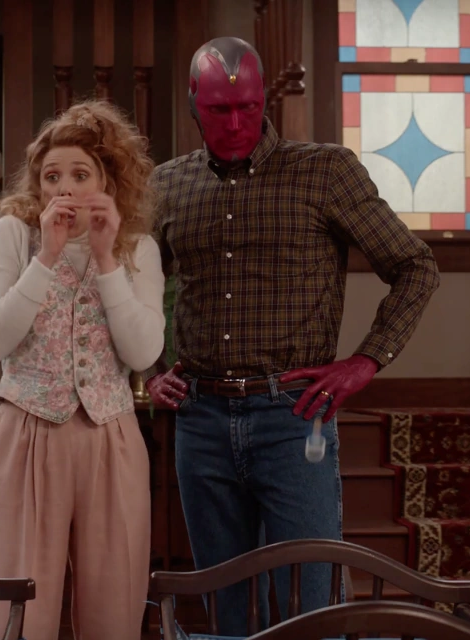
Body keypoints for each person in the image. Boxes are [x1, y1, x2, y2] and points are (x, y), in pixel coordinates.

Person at [145, 37, 441, 633]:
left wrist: (365, 360)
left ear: (264, 101)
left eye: (249, 108)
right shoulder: (167, 185)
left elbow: (416, 266)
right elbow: (132, 290)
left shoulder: (325, 171)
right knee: (224, 606)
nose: (236, 124)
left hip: (294, 416)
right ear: (193, 104)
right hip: (200, 421)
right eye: (220, 110)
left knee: (313, 608)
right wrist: (149, 371)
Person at [0, 100, 164, 640]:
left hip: (112, 438)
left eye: (81, 174)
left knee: (114, 610)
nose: (65, 188)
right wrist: (47, 257)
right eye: (52, 176)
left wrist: (105, 259)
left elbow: (144, 353)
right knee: (16, 611)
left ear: (108, 181)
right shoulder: (14, 235)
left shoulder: (137, 249)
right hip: (26, 433)